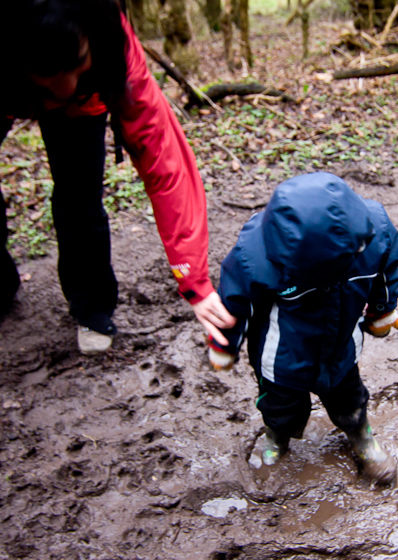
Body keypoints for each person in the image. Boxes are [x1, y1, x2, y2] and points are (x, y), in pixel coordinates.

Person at [0, 0, 235, 353]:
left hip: (91, 98)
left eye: (76, 63)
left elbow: (163, 161)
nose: (65, 87)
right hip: (9, 87)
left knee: (79, 195)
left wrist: (195, 282)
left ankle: (90, 307)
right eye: (52, 74)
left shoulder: (111, 40)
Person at [207, 172, 398, 485]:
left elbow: (386, 271)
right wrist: (224, 344)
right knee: (279, 404)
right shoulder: (255, 256)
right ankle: (276, 437)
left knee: (350, 397)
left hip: (342, 344)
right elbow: (233, 304)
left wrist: (383, 310)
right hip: (283, 355)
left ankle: (361, 435)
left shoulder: (374, 233)